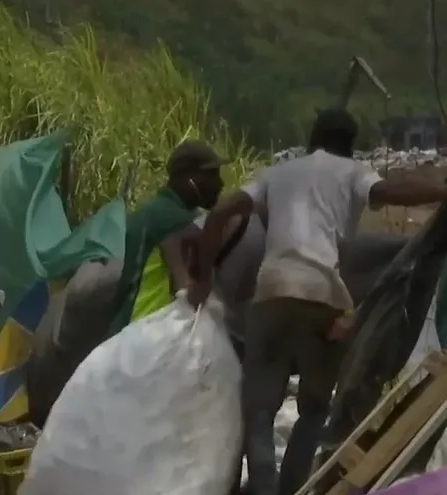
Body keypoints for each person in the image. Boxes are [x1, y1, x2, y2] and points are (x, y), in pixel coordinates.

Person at [189, 107, 447, 495]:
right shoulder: (353, 171)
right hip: (324, 297)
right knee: (312, 411)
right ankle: (297, 489)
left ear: (312, 139)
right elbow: (392, 192)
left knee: (259, 414)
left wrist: (202, 280)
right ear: (351, 145)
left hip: (272, 291)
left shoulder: (277, 173)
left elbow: (222, 212)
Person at [108, 140, 225, 336]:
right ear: (188, 177)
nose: (219, 184)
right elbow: (188, 289)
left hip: (125, 328)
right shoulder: (177, 221)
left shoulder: (151, 210)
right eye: (210, 175)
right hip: (147, 331)